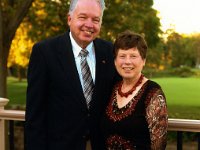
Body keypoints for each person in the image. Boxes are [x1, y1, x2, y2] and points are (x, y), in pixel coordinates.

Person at [25, 0, 116, 150]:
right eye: (82, 17)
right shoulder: (44, 52)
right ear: (69, 19)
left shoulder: (110, 52)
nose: (89, 24)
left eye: (95, 20)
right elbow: (35, 115)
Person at [101, 30, 168, 150]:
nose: (127, 61)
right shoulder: (111, 89)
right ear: (115, 61)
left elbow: (159, 145)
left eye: (133, 56)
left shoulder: (153, 93)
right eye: (122, 56)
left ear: (143, 61)